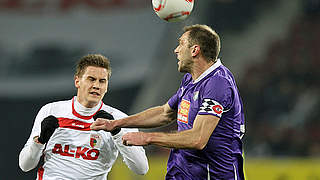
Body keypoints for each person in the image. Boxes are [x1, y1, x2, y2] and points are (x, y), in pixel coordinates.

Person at [91, 24, 245, 180]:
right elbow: (164, 113)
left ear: (195, 50)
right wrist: (118, 123)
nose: (176, 50)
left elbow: (198, 138)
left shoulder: (218, 83)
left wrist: (148, 138)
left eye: (181, 44)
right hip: (181, 173)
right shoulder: (190, 80)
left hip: (211, 175)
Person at [19, 54, 149, 179]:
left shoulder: (120, 119)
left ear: (107, 86)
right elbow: (25, 165)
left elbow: (141, 168)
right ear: (77, 81)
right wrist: (40, 141)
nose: (96, 86)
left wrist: (117, 132)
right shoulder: (51, 111)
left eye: (102, 81)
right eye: (91, 79)